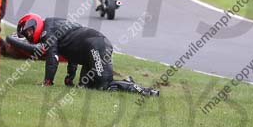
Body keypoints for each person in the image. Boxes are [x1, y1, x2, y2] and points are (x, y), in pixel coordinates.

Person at [12, 14, 159, 96]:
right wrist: (70, 77)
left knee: (104, 86)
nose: (28, 36)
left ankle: (146, 91)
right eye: (26, 35)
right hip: (90, 51)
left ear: (34, 24)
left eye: (28, 31)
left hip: (96, 46)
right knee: (85, 86)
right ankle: (126, 81)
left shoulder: (48, 32)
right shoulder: (53, 25)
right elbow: (72, 52)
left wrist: (47, 81)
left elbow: (53, 58)